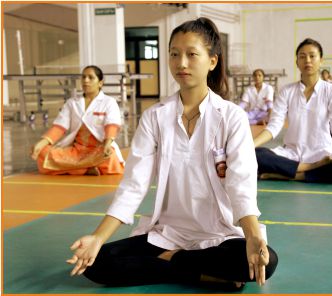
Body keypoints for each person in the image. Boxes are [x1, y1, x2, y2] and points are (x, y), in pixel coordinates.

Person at [66, 17, 278, 289]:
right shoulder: (155, 117)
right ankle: (193, 269)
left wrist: (251, 236)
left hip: (221, 234)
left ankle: (173, 263)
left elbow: (241, 184)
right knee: (96, 263)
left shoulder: (231, 117)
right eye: (174, 54)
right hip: (168, 234)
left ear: (212, 61)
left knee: (265, 260)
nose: (182, 63)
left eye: (192, 54)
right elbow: (134, 184)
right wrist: (97, 237)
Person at [254, 38, 332, 183]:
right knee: (256, 154)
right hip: (290, 153)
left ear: (321, 60)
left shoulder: (331, 90)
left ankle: (289, 174)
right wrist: (250, 145)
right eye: (302, 56)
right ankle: (309, 168)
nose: (308, 60)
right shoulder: (286, 91)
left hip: (322, 154)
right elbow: (274, 126)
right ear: (297, 62)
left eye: (312, 56)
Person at [31, 65, 124, 176]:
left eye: (90, 77)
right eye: (83, 77)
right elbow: (59, 127)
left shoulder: (109, 102)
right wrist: (41, 143)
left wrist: (108, 144)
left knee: (110, 156)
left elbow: (112, 124)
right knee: (43, 153)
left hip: (99, 149)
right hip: (76, 151)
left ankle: (74, 169)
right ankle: (85, 170)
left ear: (100, 82)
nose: (86, 80)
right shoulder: (72, 102)